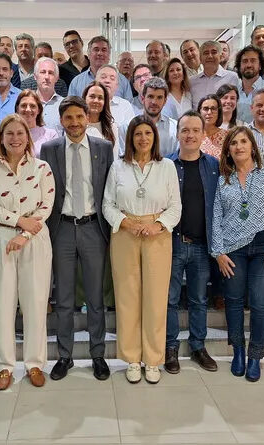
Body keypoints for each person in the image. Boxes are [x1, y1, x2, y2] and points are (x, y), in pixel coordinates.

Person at [0, 114, 56, 390]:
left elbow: (46, 206)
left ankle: (35, 364)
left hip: (34, 239)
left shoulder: (42, 168)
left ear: (28, 137)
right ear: (1, 137)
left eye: (20, 133)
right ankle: (3, 366)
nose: (15, 138)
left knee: (35, 303)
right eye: (9, 133)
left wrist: (25, 234)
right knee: (1, 304)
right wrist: (19, 221)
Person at [39, 97, 114, 382]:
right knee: (64, 297)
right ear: (61, 120)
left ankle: (98, 354)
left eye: (79, 117)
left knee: (95, 296)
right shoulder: (49, 149)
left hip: (94, 227)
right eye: (68, 117)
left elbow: (109, 188)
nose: (74, 123)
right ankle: (64, 355)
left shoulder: (103, 148)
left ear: (87, 118)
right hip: (62, 228)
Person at [103, 115, 181, 384]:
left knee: (156, 298)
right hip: (125, 233)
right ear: (131, 138)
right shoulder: (118, 166)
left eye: (148, 133)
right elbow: (107, 204)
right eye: (138, 134)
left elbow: (175, 206)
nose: (143, 138)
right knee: (127, 297)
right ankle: (132, 359)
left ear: (155, 137)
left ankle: (153, 359)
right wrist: (125, 223)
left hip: (157, 234)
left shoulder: (166, 166)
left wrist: (158, 225)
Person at [211, 126, 264, 382]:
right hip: (232, 248)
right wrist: (218, 252)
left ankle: (255, 356)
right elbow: (216, 216)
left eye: (243, 141)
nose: (239, 147)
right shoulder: (223, 178)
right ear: (228, 150)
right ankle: (238, 351)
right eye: (234, 143)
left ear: (252, 146)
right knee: (234, 301)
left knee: (260, 302)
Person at [164, 110, 219, 374]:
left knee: (198, 299)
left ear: (203, 134)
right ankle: (170, 347)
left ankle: (198, 346)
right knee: (170, 299)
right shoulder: (166, 165)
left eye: (196, 130)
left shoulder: (213, 166)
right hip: (172, 243)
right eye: (185, 130)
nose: (190, 135)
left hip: (201, 245)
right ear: (177, 134)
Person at [119, 77, 178, 157]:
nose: (154, 102)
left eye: (159, 97)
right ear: (143, 98)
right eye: (150, 96)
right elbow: (123, 159)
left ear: (165, 101)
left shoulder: (175, 128)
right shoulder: (126, 127)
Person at [67, 36, 133, 100]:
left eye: (104, 50)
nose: (100, 53)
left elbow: (129, 105)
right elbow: (70, 106)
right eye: (96, 50)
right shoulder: (76, 82)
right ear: (89, 54)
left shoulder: (122, 81)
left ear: (109, 55)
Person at [189, 41, 239, 107]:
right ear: (200, 59)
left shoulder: (232, 77)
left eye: (214, 52)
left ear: (220, 57)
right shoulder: (192, 81)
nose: (210, 56)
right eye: (206, 53)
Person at [16, 89, 59, 157]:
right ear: (17, 109)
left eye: (32, 106)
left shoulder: (51, 135)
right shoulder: (10, 134)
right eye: (24, 105)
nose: (28, 109)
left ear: (38, 110)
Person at [83, 81, 120, 158]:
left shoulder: (112, 127)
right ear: (85, 98)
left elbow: (114, 158)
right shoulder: (78, 125)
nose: (96, 101)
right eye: (92, 96)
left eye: (100, 98)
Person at [197, 94, 228, 159]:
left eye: (213, 109)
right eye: (205, 109)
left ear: (219, 112)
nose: (209, 112)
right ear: (199, 111)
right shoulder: (193, 135)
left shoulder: (227, 136)